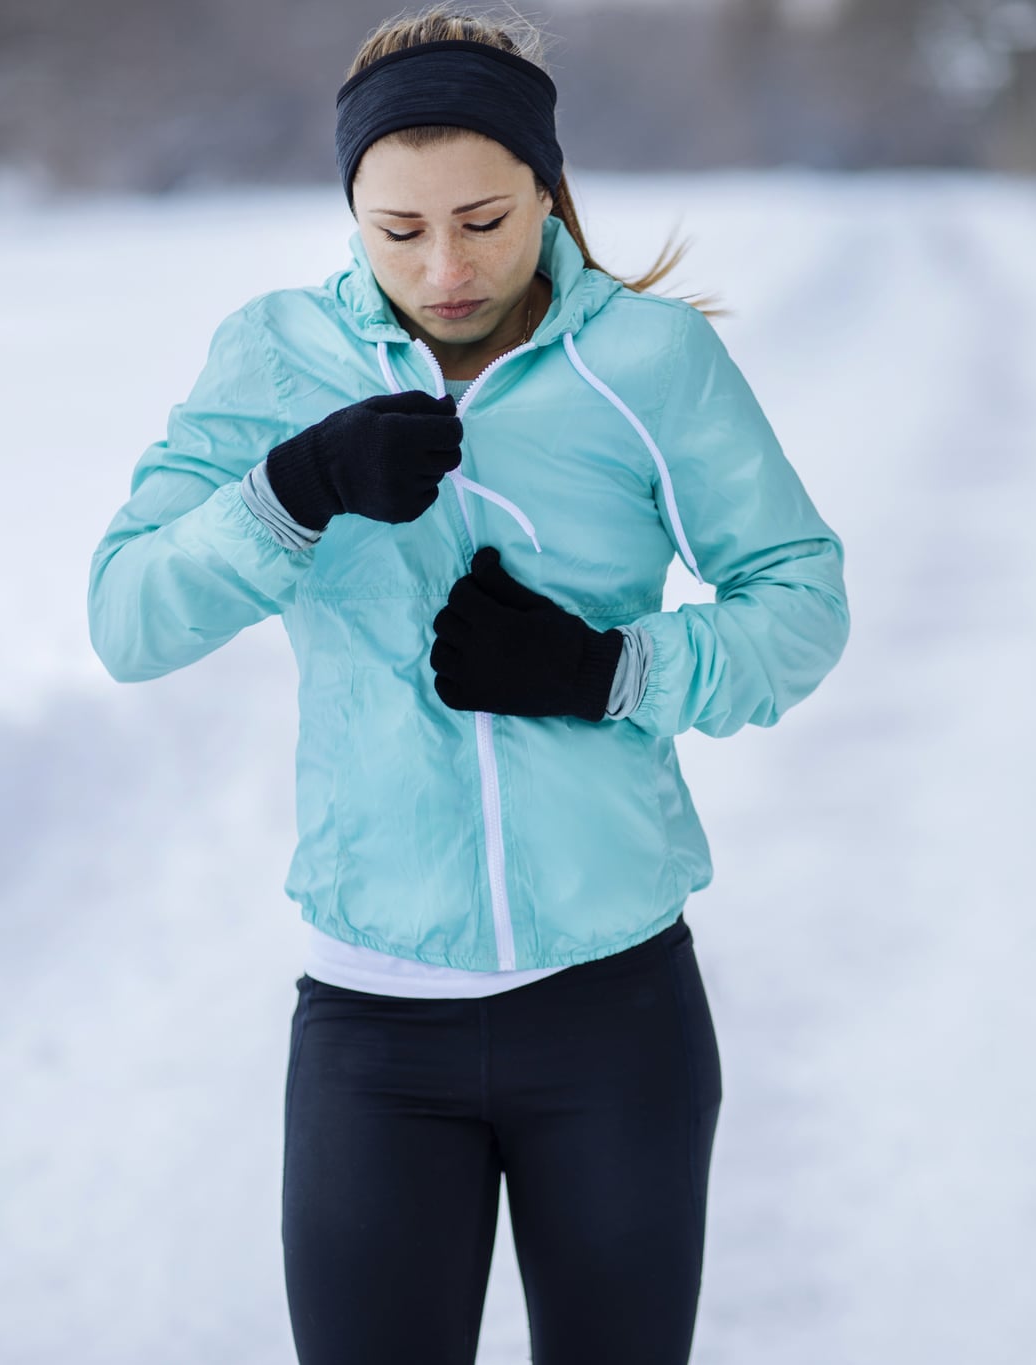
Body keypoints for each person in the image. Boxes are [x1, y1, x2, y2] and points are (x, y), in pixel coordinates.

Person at [84, 7, 850, 1361]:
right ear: (352, 213)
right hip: (374, 1036)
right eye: (400, 231)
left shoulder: (649, 365)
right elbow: (128, 616)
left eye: (486, 221)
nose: (443, 268)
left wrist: (609, 669)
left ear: (548, 192)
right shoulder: (275, 363)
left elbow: (802, 601)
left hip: (614, 1016)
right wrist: (293, 489)